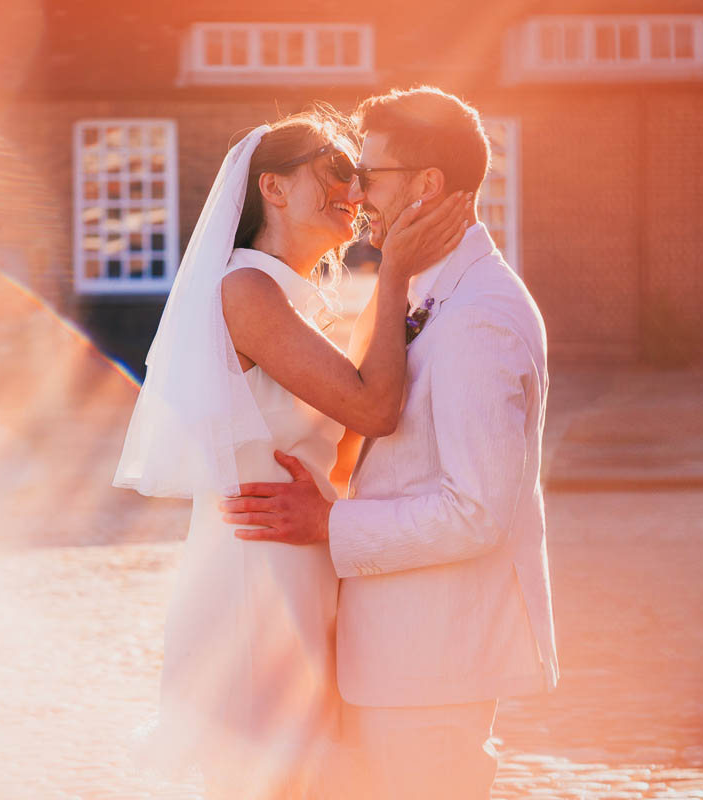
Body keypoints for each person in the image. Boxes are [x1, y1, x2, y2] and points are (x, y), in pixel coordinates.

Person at [113, 107, 470, 798]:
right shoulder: (247, 289)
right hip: (253, 571)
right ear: (272, 190)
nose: (355, 190)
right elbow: (373, 406)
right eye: (333, 171)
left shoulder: (296, 298)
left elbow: (349, 441)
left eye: (359, 174)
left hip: (299, 555)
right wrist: (393, 272)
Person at [221, 86, 560, 799]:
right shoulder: (427, 294)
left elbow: (476, 511)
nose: (357, 191)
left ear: (428, 185)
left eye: (371, 175)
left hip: (431, 666)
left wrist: (329, 522)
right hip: (390, 659)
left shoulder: (478, 318)